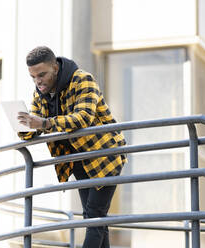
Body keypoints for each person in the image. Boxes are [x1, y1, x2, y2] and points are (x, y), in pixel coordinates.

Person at [17, 46, 127, 248]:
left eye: (42, 75)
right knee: (94, 217)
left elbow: (82, 118)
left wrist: (44, 123)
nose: (38, 81)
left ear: (55, 68)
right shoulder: (40, 92)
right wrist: (24, 125)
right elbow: (34, 128)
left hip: (104, 155)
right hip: (76, 160)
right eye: (33, 77)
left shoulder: (83, 80)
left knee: (94, 214)